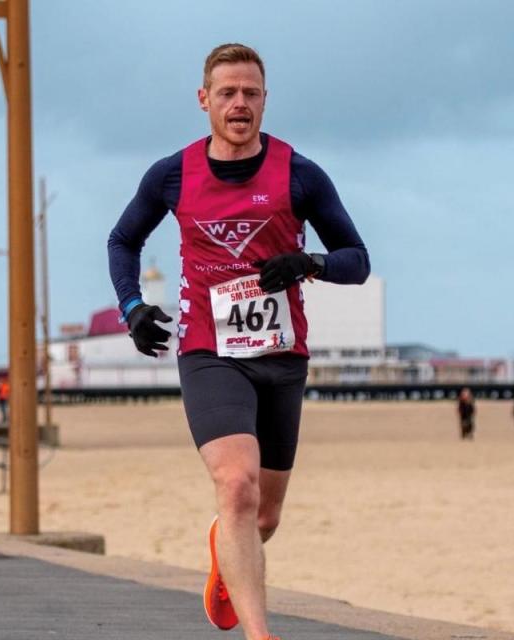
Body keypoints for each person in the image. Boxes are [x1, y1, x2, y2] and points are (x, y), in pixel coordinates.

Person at [107, 43, 369, 640]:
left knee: (263, 514)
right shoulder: (172, 174)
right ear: (204, 100)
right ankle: (260, 634)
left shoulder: (299, 173)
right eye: (227, 93)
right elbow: (122, 242)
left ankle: (225, 547)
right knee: (237, 484)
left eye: (250, 93)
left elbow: (357, 259)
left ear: (265, 101)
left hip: (281, 356)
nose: (239, 104)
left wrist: (308, 262)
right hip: (209, 352)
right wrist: (132, 307)